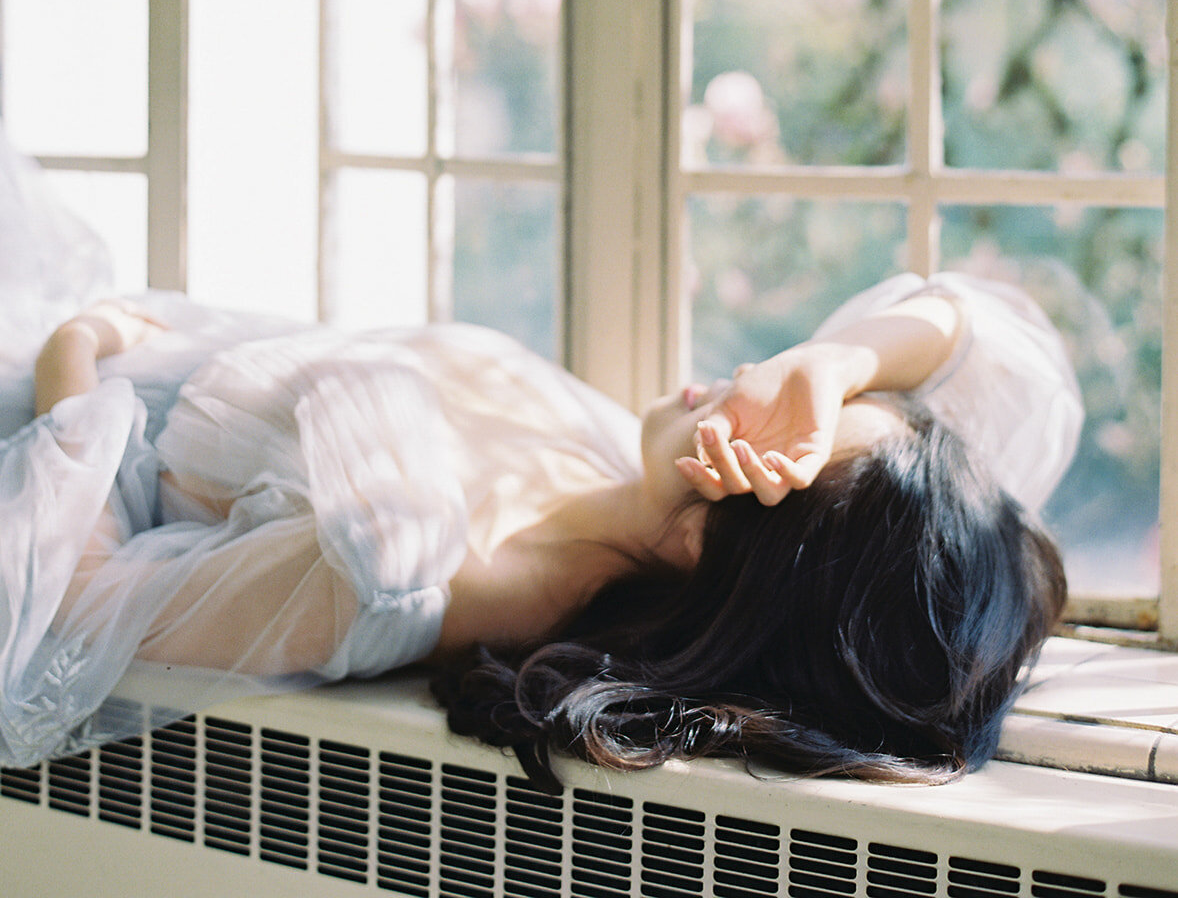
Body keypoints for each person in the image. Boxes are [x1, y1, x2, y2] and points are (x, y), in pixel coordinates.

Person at [2, 244, 1079, 787]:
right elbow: (999, 353)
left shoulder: (403, 567)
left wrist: (77, 370)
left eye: (793, 424)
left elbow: (77, 607)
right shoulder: (616, 460)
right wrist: (836, 363)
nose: (757, 371)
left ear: (714, 533)